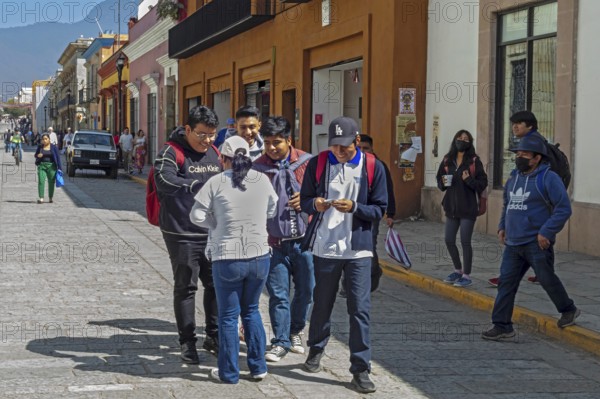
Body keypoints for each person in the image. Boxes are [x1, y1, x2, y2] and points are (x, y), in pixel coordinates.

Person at [300, 116, 387, 394]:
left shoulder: (373, 167)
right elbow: (304, 200)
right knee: (322, 303)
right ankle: (316, 349)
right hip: (325, 246)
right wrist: (315, 204)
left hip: (358, 249)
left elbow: (379, 210)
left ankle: (361, 368)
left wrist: (355, 207)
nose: (339, 151)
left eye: (345, 147)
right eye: (335, 146)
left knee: (359, 309)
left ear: (357, 141)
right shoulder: (318, 163)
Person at [190, 135, 278, 384]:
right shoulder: (262, 179)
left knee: (229, 316)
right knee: (251, 311)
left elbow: (196, 215)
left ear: (222, 158)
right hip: (259, 255)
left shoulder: (216, 181)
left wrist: (215, 223)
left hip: (227, 257)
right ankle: (258, 367)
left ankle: (229, 372)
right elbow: (273, 208)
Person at [481, 135, 579, 341]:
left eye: (524, 154)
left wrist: (547, 231)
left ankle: (568, 309)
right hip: (513, 243)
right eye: (518, 153)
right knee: (506, 283)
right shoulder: (513, 178)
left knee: (546, 279)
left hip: (536, 242)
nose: (519, 157)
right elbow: (508, 205)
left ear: (536, 158)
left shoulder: (548, 178)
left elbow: (563, 209)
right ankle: (502, 325)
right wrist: (502, 226)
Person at [153, 106, 221, 364]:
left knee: (215, 284)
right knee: (186, 287)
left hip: (212, 233)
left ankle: (213, 336)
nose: (207, 140)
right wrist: (192, 185)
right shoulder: (171, 152)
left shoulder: (215, 152)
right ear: (188, 129)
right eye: (202, 134)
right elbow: (163, 179)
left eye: (212, 134)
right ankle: (187, 342)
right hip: (181, 232)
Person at [252, 116, 314, 362]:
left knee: (306, 291)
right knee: (278, 294)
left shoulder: (308, 164)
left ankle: (295, 330)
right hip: (273, 243)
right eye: (267, 142)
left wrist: (307, 200)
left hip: (305, 242)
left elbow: (324, 195)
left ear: (289, 140)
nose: (271, 148)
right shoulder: (257, 169)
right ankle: (280, 342)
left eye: (276, 142)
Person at [488, 111, 547, 287]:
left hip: (532, 199)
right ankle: (541, 275)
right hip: (530, 201)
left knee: (530, 243)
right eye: (513, 123)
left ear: (530, 126)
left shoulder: (533, 143)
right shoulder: (530, 140)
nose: (515, 126)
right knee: (535, 246)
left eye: (519, 123)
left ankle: (513, 277)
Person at [339, 133, 397, 297]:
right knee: (346, 247)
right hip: (348, 213)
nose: (363, 151)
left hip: (371, 214)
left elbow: (388, 191)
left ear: (372, 149)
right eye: (360, 148)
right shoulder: (347, 165)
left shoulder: (378, 166)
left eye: (367, 148)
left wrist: (391, 213)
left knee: (367, 246)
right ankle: (347, 285)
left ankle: (372, 272)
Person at [436, 130, 488, 288]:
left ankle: (466, 274)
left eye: (466, 139)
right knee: (449, 240)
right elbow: (439, 181)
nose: (462, 141)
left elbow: (482, 183)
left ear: (470, 142)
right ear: (454, 139)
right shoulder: (447, 160)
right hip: (451, 207)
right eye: (459, 138)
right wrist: (443, 182)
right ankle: (457, 270)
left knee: (465, 241)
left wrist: (468, 180)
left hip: (468, 207)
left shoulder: (473, 161)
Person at [34, 133, 62, 204]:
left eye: (46, 139)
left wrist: (60, 168)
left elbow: (58, 158)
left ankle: (50, 198)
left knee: (51, 182)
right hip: (42, 166)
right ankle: (41, 198)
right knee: (41, 181)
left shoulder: (54, 147)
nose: (44, 140)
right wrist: (38, 155)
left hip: (52, 166)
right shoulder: (40, 147)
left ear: (49, 139)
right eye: (43, 139)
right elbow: (36, 155)